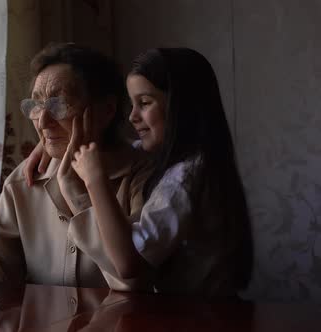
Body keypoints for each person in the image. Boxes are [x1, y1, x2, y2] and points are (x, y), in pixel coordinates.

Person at [28, 48, 254, 296]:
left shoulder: (183, 179)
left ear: (182, 106)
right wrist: (48, 142)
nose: (133, 116)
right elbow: (122, 149)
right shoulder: (198, 160)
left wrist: (94, 180)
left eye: (145, 103)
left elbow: (128, 262)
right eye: (132, 103)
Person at [0, 43, 152, 292]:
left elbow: (134, 278)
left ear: (106, 110)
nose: (43, 121)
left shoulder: (144, 176)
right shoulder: (26, 178)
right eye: (36, 105)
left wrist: (78, 193)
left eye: (59, 105)